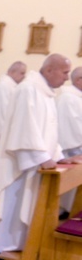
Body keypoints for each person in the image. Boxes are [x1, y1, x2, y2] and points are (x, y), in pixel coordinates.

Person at [0, 54, 79, 256]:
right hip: (17, 165)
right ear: (49, 70)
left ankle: (18, 245)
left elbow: (49, 131)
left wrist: (58, 155)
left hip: (36, 163)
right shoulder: (28, 89)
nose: (66, 78)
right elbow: (25, 128)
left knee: (24, 203)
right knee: (12, 202)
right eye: (64, 73)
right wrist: (43, 158)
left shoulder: (45, 92)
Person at [55, 66, 82, 212]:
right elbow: (73, 129)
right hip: (70, 152)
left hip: (76, 150)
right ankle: (66, 211)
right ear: (79, 80)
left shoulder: (77, 98)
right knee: (67, 193)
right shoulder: (68, 98)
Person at [0, 61, 27, 134]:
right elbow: (5, 110)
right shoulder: (4, 86)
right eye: (22, 73)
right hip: (5, 130)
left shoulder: (13, 86)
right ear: (12, 72)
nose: (24, 76)